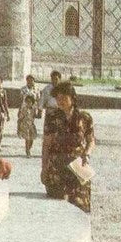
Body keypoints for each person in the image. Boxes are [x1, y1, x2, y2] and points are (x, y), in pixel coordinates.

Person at [41, 82, 95, 213]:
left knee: (80, 208)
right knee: (58, 209)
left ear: (73, 98)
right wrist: (44, 168)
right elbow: (46, 145)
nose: (60, 102)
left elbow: (91, 141)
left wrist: (86, 154)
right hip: (57, 168)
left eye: (64, 98)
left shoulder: (84, 118)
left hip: (77, 169)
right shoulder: (52, 118)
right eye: (58, 99)